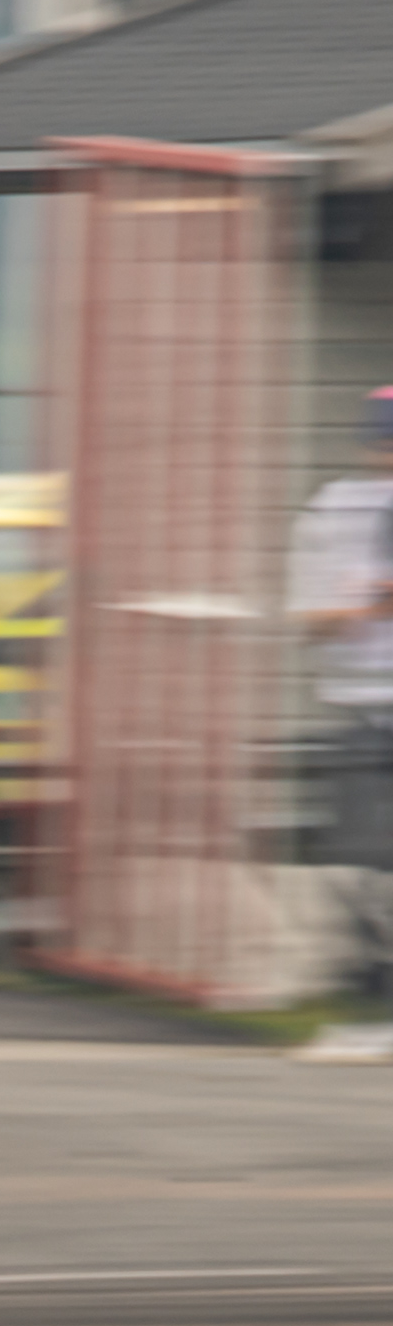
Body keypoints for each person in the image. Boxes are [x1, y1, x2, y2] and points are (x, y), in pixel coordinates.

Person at [290, 387, 393, 1060]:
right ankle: (370, 990)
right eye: (384, 443)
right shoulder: (333, 513)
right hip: (360, 710)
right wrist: (364, 608)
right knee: (359, 863)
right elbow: (309, 621)